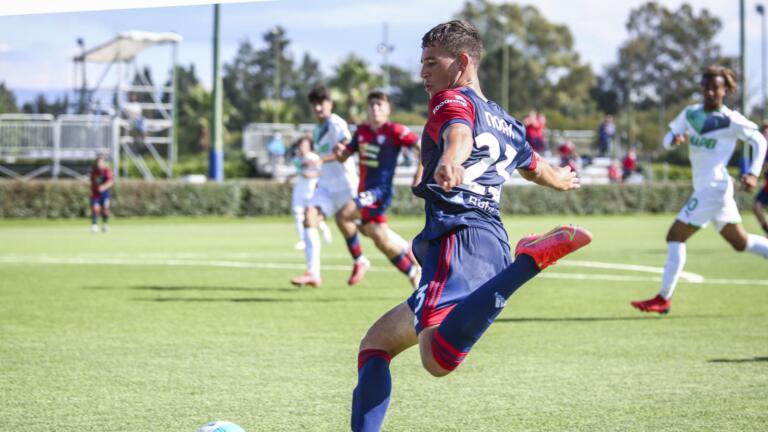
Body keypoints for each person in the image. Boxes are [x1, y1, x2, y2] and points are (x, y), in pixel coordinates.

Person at [350, 20, 592, 432]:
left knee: (436, 360)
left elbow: (458, 133)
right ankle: (522, 262)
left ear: (462, 63)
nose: (423, 72)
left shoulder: (450, 101)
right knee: (375, 344)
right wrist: (564, 179)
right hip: (489, 241)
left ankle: (528, 264)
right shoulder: (507, 123)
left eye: (431, 62)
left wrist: (451, 159)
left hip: (457, 237)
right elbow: (537, 169)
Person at [631, 65, 768, 314]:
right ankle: (664, 298)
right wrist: (674, 140)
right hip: (712, 191)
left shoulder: (730, 119)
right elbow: (668, 138)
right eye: (707, 87)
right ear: (702, 89)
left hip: (713, 189)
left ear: (725, 90)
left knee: (675, 236)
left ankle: (663, 298)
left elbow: (759, 140)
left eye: (716, 88)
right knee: (741, 242)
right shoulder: (690, 113)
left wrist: (753, 173)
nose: (711, 92)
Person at [333, 91, 423, 288]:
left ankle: (359, 260)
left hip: (379, 192)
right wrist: (339, 152)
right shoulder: (362, 132)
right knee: (380, 240)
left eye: (380, 105)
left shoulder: (395, 130)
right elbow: (344, 156)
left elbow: (422, 149)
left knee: (343, 215)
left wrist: (418, 177)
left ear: (388, 109)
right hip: (364, 192)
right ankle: (412, 270)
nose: (375, 108)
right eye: (372, 104)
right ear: (367, 108)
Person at [290, 87, 357, 287]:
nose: (319, 107)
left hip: (346, 185)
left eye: (322, 103)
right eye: (315, 104)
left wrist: (320, 160)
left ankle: (404, 253)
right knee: (309, 219)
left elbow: (347, 147)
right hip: (327, 187)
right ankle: (313, 273)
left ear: (330, 104)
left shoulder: (336, 123)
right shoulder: (317, 129)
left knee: (371, 230)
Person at [288, 136, 332, 250]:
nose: (302, 148)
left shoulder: (315, 158)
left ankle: (324, 229)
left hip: (312, 190)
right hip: (300, 190)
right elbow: (299, 171)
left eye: (305, 145)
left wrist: (312, 174)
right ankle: (304, 240)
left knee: (312, 215)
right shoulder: (297, 159)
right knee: (298, 215)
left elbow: (322, 172)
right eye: (301, 145)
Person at [90, 154, 113, 233]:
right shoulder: (94, 171)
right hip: (96, 194)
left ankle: (105, 224)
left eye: (101, 162)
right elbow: (93, 182)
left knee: (105, 210)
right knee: (95, 208)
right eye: (98, 162)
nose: (99, 163)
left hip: (105, 194)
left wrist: (104, 187)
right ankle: (94, 225)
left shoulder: (107, 171)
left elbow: (110, 182)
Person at [753, 122, 768, 236]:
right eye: (764, 131)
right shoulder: (761, 149)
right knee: (756, 206)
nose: (766, 133)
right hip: (767, 187)